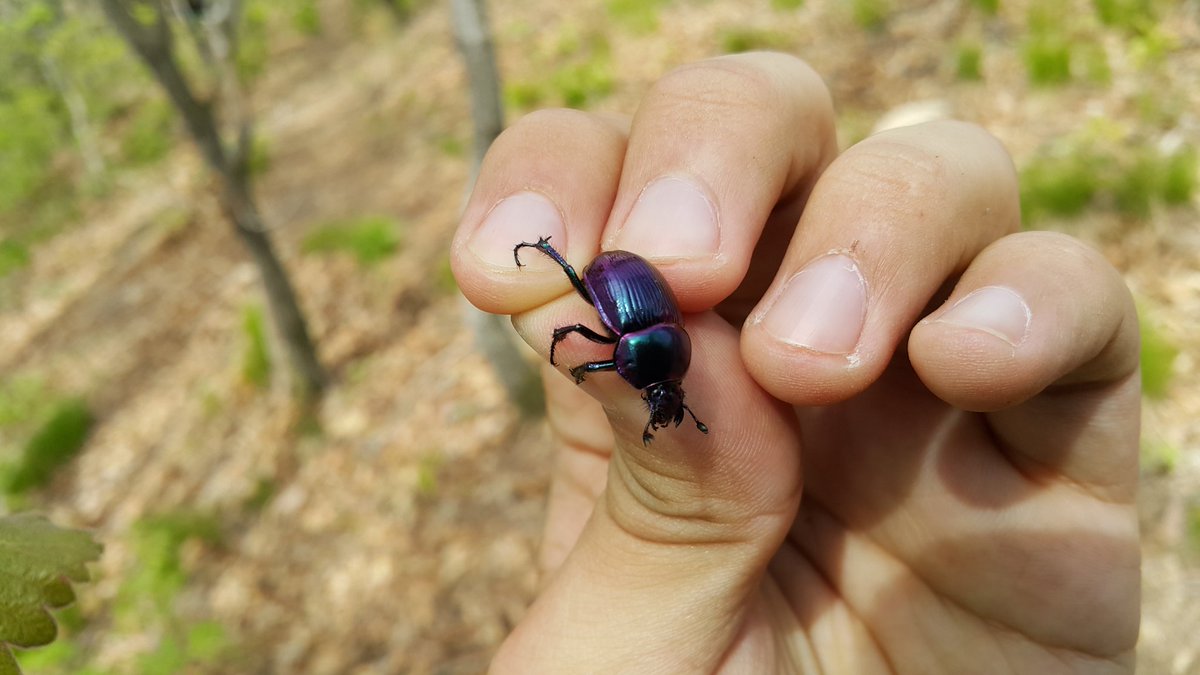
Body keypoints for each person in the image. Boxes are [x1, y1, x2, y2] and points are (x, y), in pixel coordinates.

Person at [450, 53, 1140, 673]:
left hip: (627, 288)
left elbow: (590, 345)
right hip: (622, 281)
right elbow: (595, 344)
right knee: (575, 306)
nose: (661, 398)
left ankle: (551, 251)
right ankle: (551, 249)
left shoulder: (650, 352)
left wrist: (594, 366)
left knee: (577, 315)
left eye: (663, 390)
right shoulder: (652, 349)